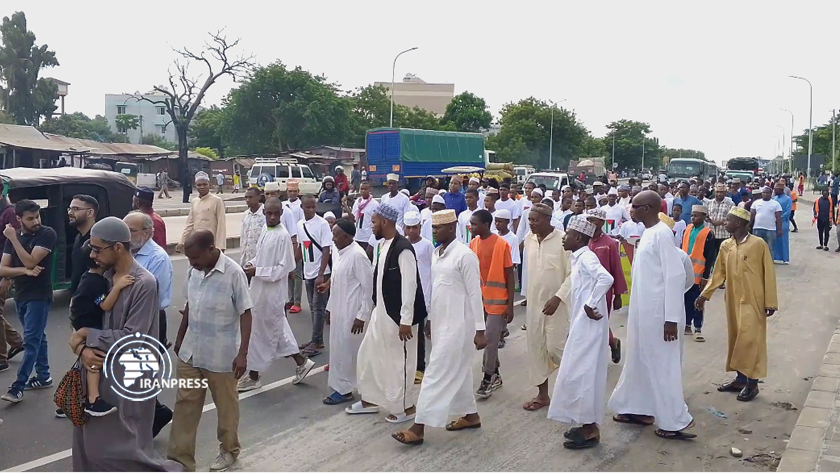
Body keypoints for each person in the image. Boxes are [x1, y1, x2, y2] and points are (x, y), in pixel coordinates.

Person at [68, 217, 180, 471]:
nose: (93, 254)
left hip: (127, 378)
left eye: (98, 249)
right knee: (87, 445)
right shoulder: (101, 277)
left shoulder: (143, 283)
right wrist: (82, 349)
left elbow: (133, 336)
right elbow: (79, 315)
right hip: (96, 368)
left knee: (124, 449)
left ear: (118, 247)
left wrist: (87, 337)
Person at [392, 209, 486, 446]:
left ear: (452, 228)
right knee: (459, 371)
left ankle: (419, 427)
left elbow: (476, 294)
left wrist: (480, 329)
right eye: (432, 228)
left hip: (460, 327)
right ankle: (471, 415)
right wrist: (431, 319)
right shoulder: (436, 254)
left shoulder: (465, 256)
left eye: (438, 228)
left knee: (435, 373)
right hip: (442, 324)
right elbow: (436, 291)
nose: (434, 232)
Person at [608, 190, 696, 441]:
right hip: (643, 312)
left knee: (661, 365)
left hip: (660, 316)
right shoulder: (647, 233)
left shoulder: (662, 234)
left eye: (634, 206)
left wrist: (671, 318)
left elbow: (675, 276)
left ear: (647, 208)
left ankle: (675, 420)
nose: (630, 209)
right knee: (639, 359)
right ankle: (637, 409)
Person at [169, 229, 253, 472]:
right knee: (185, 404)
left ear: (210, 249)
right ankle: (179, 460)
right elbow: (189, 305)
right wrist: (180, 336)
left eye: (195, 258)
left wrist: (243, 354)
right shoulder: (194, 270)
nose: (192, 263)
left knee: (226, 406)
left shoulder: (234, 273)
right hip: (191, 352)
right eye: (188, 259)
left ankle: (229, 451)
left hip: (221, 356)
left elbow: (246, 312)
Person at [347, 203, 426, 423]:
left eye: (373, 222)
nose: (370, 226)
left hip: (399, 318)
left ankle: (405, 408)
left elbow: (410, 287)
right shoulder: (383, 245)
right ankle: (370, 400)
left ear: (385, 222)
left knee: (399, 362)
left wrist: (406, 320)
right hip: (381, 313)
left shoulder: (403, 249)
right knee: (368, 356)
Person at [696, 207, 778, 402]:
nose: (725, 222)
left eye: (728, 219)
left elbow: (769, 272)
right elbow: (718, 273)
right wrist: (704, 295)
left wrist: (770, 301)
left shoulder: (758, 244)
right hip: (733, 299)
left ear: (739, 223)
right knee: (737, 338)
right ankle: (740, 379)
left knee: (751, 340)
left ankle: (753, 383)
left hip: (754, 299)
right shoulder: (726, 245)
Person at [547, 216, 613, 450]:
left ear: (579, 238)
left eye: (568, 235)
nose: (564, 238)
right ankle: (586, 423)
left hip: (589, 324)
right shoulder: (578, 258)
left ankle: (590, 429)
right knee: (578, 371)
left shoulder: (587, 257)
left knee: (584, 372)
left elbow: (607, 278)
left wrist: (591, 303)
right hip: (581, 322)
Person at [238, 198, 315, 392]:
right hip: (258, 291)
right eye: (269, 213)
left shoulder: (283, 236)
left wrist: (258, 271)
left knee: (261, 333)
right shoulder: (266, 230)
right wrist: (251, 264)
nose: (272, 217)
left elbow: (284, 268)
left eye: (276, 214)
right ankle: (301, 362)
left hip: (271, 294)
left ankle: (254, 375)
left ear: (281, 214)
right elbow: (261, 255)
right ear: (264, 213)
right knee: (274, 331)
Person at [0, 200, 56, 403]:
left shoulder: (47, 234)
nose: (36, 221)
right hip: (21, 295)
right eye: (30, 218)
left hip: (39, 295)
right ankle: (44, 376)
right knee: (38, 337)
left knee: (31, 340)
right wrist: (23, 271)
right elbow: (3, 268)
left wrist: (14, 240)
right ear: (18, 219)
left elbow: (31, 261)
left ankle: (18, 386)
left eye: (37, 216)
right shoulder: (13, 237)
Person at [124, 211, 175, 435]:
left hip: (150, 320)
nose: (126, 235)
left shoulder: (157, 258)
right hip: (128, 318)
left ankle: (150, 416)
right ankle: (151, 413)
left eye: (131, 231)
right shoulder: (126, 251)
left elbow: (151, 295)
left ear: (147, 232)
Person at [69, 246, 132, 417]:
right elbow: (105, 304)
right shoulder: (96, 282)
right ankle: (93, 399)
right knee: (93, 363)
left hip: (80, 320)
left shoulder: (88, 277)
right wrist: (118, 287)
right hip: (88, 323)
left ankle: (80, 396)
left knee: (86, 362)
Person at [522, 203, 571, 412]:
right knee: (537, 350)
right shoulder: (528, 240)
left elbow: (572, 274)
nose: (531, 223)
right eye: (530, 220)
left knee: (557, 349)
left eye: (536, 220)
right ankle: (543, 396)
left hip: (557, 306)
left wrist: (558, 298)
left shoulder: (563, 240)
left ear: (548, 219)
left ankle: (573, 392)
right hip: (534, 306)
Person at [321, 219, 373, 404]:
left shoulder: (358, 255)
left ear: (347, 236)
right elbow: (337, 279)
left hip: (352, 313)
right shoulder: (340, 252)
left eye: (336, 235)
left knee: (347, 351)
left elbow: (369, 288)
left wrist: (362, 315)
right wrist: (329, 304)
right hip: (338, 309)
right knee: (337, 349)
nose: (333, 238)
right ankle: (340, 386)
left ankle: (345, 390)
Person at [469, 209, 514, 398]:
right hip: (479, 300)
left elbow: (510, 275)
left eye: (474, 224)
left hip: (497, 301)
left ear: (485, 225)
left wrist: (510, 305)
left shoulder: (501, 245)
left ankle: (487, 377)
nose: (471, 227)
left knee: (489, 339)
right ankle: (495, 373)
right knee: (488, 339)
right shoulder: (473, 243)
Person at [585, 208, 627, 363]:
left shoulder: (610, 243)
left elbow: (616, 270)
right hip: (585, 288)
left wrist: (618, 295)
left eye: (593, 220)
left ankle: (610, 343)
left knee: (599, 321)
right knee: (585, 321)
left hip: (604, 291)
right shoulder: (584, 240)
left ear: (602, 223)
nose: (590, 223)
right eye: (588, 220)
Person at [296, 195, 332, 357]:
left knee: (318, 308)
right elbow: (300, 248)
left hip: (321, 273)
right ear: (302, 207)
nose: (310, 210)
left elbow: (326, 249)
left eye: (313, 207)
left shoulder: (322, 224)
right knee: (312, 307)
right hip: (308, 272)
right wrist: (291, 266)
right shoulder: (300, 225)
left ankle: (316, 342)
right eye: (307, 207)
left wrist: (321, 273)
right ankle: (316, 339)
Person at [404, 211, 434, 384]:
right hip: (407, 293)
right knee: (406, 333)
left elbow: (432, 270)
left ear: (420, 228)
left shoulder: (427, 246)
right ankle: (407, 366)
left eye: (415, 227)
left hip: (424, 294)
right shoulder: (402, 244)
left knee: (420, 335)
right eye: (409, 228)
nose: (412, 231)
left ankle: (420, 368)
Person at [681, 205, 714, 342]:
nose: (693, 218)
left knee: (697, 302)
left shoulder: (708, 233)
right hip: (685, 273)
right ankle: (687, 324)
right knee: (685, 301)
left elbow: (710, 257)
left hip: (698, 275)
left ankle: (698, 328)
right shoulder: (687, 229)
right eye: (692, 215)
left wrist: (705, 277)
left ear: (704, 217)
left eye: (697, 215)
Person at [0, 179, 22, 374]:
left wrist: (7, 276)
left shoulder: (10, 213)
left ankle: (1, 358)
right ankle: (17, 341)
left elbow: (14, 245)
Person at [176, 171, 227, 253]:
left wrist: (220, 246)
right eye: (199, 185)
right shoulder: (195, 201)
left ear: (209, 185)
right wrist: (182, 241)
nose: (202, 187)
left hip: (211, 244)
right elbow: (190, 223)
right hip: (196, 243)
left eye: (204, 184)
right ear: (195, 186)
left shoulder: (217, 201)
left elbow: (221, 224)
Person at [69, 194, 99, 294]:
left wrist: (100, 301)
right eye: (69, 209)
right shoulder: (78, 238)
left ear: (90, 212)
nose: (70, 213)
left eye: (75, 209)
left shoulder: (99, 241)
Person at [284, 180, 304, 313]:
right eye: (290, 191)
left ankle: (297, 301)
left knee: (297, 273)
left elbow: (302, 223)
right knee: (287, 273)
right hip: (285, 241)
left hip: (297, 240)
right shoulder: (283, 205)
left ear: (298, 192)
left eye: (294, 191)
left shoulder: (301, 206)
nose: (292, 193)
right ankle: (290, 299)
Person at [705, 183, 734, 267]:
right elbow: (705, 216)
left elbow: (732, 218)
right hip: (711, 233)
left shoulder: (730, 203)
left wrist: (721, 222)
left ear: (725, 193)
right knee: (710, 255)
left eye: (721, 192)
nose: (719, 194)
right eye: (717, 192)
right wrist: (710, 220)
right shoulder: (709, 203)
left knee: (723, 256)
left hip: (723, 234)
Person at [349, 181, 379, 254]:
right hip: (357, 236)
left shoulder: (375, 204)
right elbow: (353, 219)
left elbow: (377, 221)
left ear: (370, 190)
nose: (363, 191)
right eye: (361, 189)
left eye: (365, 189)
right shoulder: (357, 202)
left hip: (367, 237)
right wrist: (346, 206)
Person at [750, 186, 782, 253]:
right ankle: (757, 262)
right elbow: (751, 215)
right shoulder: (756, 203)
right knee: (756, 247)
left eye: (767, 193)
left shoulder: (776, 204)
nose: (765, 194)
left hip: (770, 229)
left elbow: (778, 218)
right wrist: (747, 225)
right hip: (757, 228)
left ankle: (768, 263)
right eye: (764, 193)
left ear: (770, 194)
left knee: (770, 248)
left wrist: (779, 230)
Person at [240, 186, 265, 270]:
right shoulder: (245, 215)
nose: (248, 200)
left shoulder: (265, 214)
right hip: (245, 260)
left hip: (260, 261)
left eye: (250, 197)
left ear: (259, 197)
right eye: (246, 197)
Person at [771, 182, 792, 265]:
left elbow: (787, 212)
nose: (774, 191)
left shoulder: (787, 199)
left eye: (776, 190)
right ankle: (775, 257)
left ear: (781, 190)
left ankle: (785, 258)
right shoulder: (774, 198)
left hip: (783, 223)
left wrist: (779, 218)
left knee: (783, 240)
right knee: (774, 240)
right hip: (774, 222)